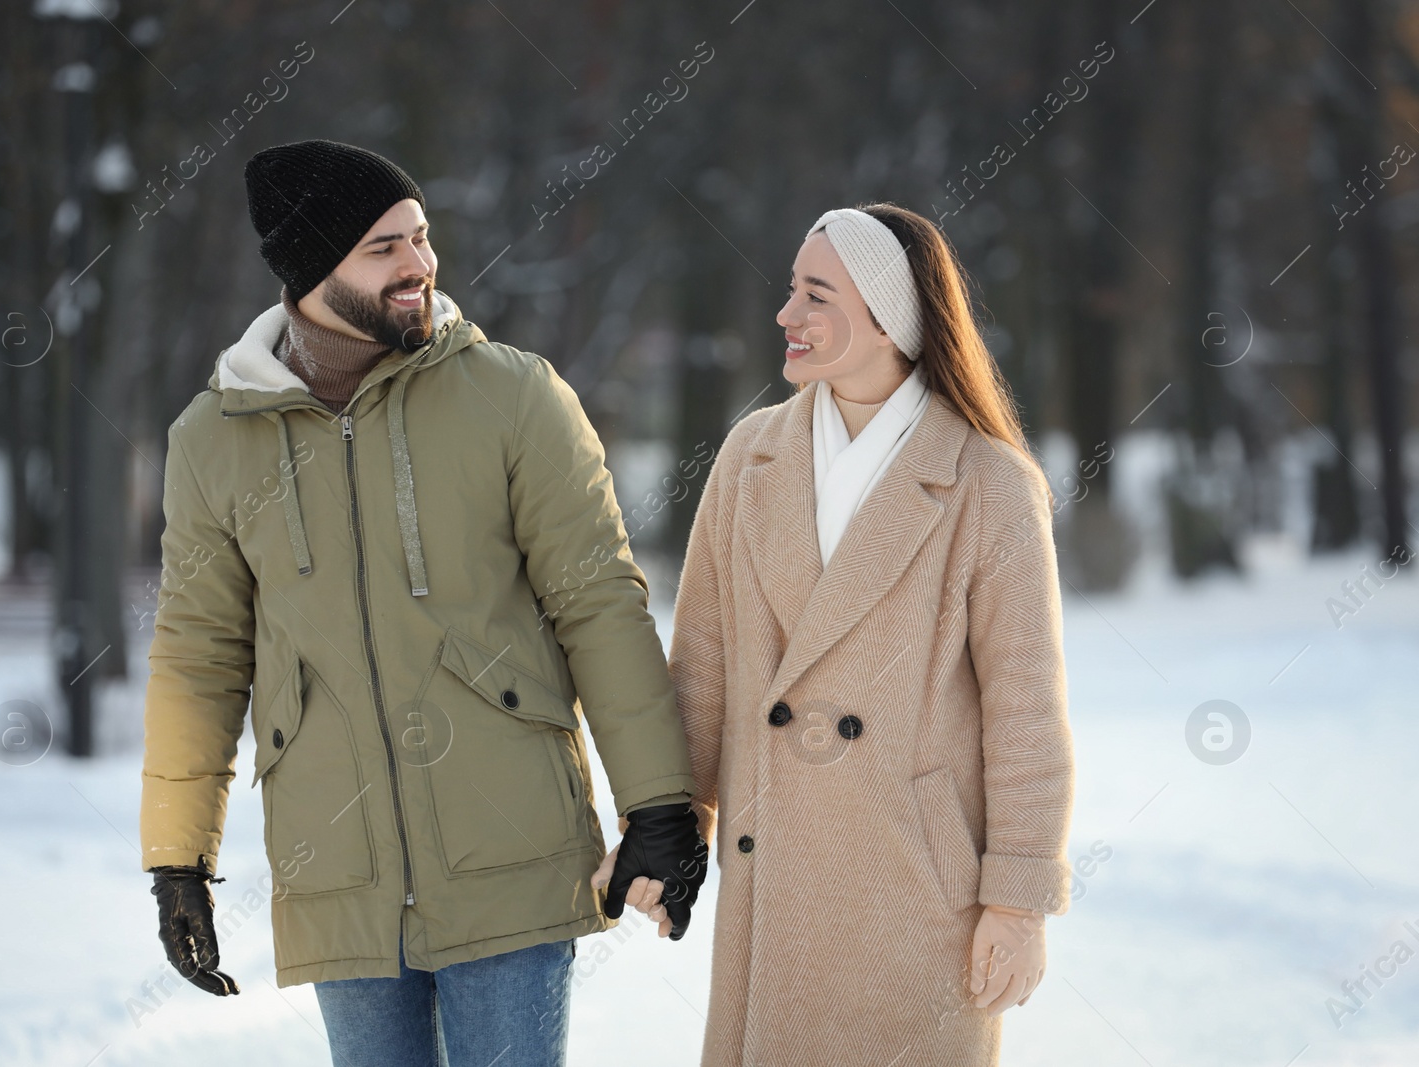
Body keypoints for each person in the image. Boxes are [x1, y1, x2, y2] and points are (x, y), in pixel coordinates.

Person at [139, 139, 708, 1067]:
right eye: (384, 247)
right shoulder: (214, 439)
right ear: (311, 266)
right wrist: (178, 859)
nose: (420, 265)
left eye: (421, 236)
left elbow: (597, 601)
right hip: (338, 869)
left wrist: (658, 804)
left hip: (511, 857)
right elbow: (197, 659)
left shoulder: (513, 395)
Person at [656, 202, 1076, 1065]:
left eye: (816, 294)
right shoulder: (748, 455)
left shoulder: (988, 484)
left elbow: (1026, 707)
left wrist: (1018, 901)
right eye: (789, 289)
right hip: (768, 876)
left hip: (919, 892)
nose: (786, 315)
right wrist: (672, 823)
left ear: (891, 318)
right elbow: (701, 664)